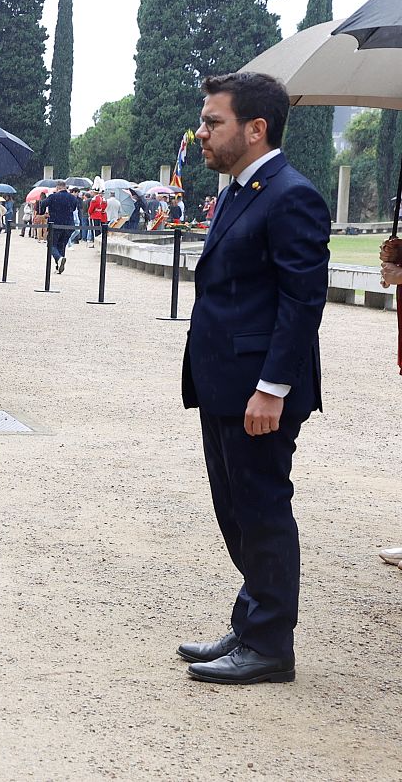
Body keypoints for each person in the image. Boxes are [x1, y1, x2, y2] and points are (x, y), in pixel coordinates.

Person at [178, 71, 330, 685]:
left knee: (262, 509)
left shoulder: (290, 194)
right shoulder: (242, 190)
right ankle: (251, 621)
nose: (203, 132)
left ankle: (270, 645)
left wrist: (273, 388)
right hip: (224, 383)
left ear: (256, 127)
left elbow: (302, 302)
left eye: (214, 121)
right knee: (235, 508)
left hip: (258, 390)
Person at [41, 180, 79, 273]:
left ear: (57, 188)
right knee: (62, 245)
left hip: (55, 224)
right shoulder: (73, 198)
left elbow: (42, 204)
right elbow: (73, 208)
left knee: (51, 245)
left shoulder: (53, 197)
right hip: (69, 225)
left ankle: (58, 259)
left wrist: (43, 212)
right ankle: (59, 266)